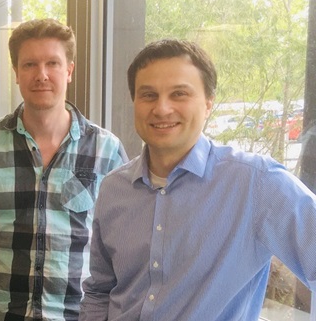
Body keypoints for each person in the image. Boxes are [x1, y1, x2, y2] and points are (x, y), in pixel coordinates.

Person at [79, 39, 316, 320]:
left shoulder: (257, 183)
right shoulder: (114, 189)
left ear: (208, 104)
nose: (162, 108)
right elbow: (99, 291)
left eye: (179, 94)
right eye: (148, 95)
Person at [0, 18, 128, 320]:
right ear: (17, 74)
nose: (42, 75)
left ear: (69, 70)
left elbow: (128, 245)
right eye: (30, 65)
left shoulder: (106, 150)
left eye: (53, 63)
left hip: (78, 315)